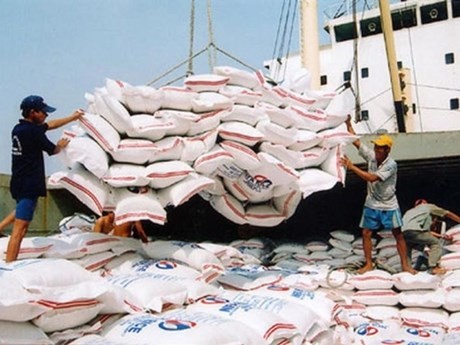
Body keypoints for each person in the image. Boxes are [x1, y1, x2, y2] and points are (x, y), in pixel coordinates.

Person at [5, 95, 84, 262]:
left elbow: (50, 125)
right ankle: (9, 264)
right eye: (43, 112)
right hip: (29, 184)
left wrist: (72, 117)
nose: (46, 115)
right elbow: (52, 150)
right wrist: (61, 146)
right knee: (21, 229)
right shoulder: (33, 131)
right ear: (33, 112)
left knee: (21, 209)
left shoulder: (19, 129)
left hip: (18, 182)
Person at [340, 115, 416, 274]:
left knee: (398, 235)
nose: (376, 150)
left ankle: (406, 266)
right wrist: (348, 123)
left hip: (389, 204)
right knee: (366, 233)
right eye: (375, 147)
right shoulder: (372, 157)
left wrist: (351, 167)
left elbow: (371, 178)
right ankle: (368, 264)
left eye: (379, 148)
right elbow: (356, 141)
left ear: (387, 150)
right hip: (372, 203)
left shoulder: (391, 165)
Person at [402, 199, 460, 275]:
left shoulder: (409, 212)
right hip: (416, 231)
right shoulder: (428, 207)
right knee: (435, 243)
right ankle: (434, 267)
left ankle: (407, 269)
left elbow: (426, 232)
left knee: (408, 248)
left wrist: (441, 236)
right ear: (424, 203)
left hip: (403, 233)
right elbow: (447, 213)